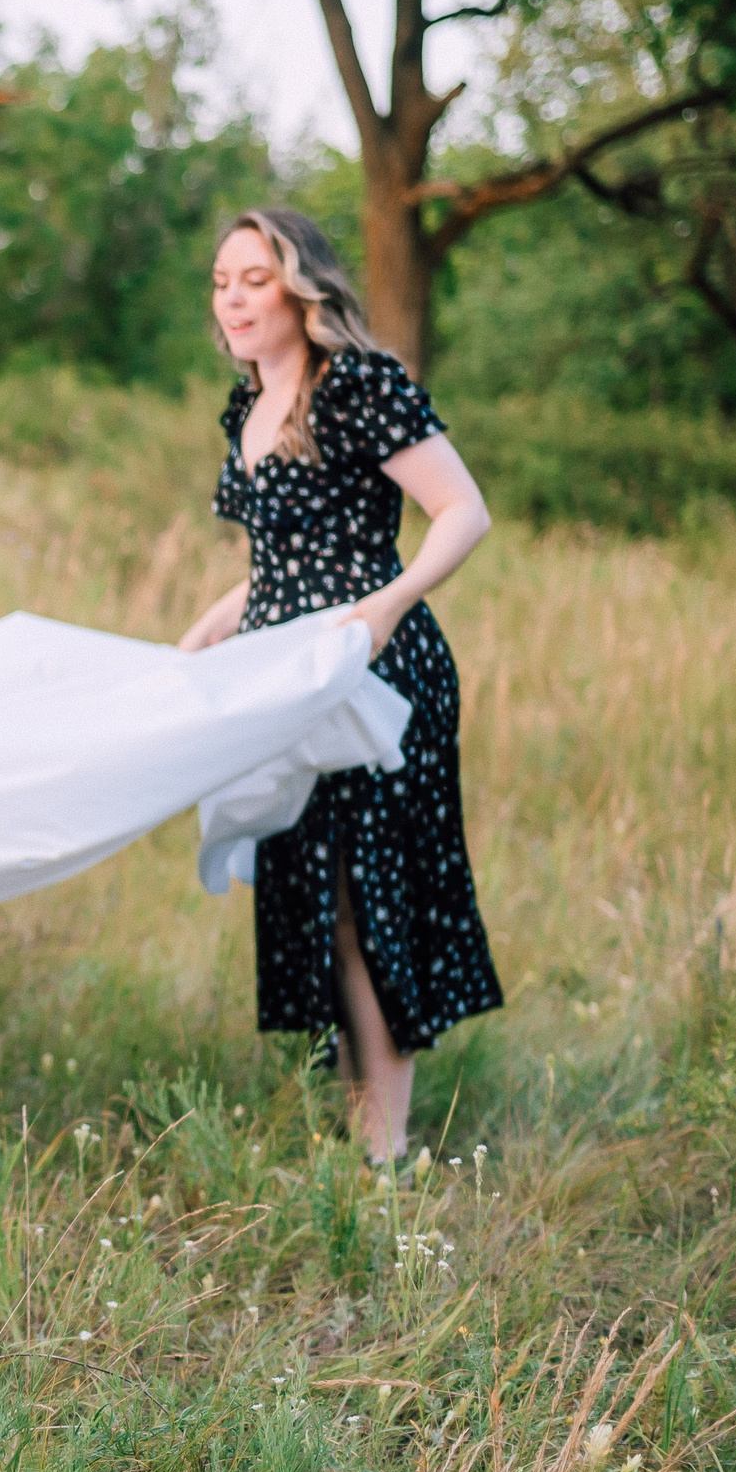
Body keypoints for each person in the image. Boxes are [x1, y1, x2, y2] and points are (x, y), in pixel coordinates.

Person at [178, 209, 503, 1169]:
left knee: (366, 898)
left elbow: (462, 510)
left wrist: (390, 604)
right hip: (284, 680)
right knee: (314, 898)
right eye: (220, 282)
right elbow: (277, 565)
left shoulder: (357, 384)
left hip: (374, 679)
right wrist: (202, 634)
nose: (232, 299)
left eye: (255, 279)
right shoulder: (247, 405)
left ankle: (385, 1152)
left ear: (302, 287)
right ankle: (362, 1118)